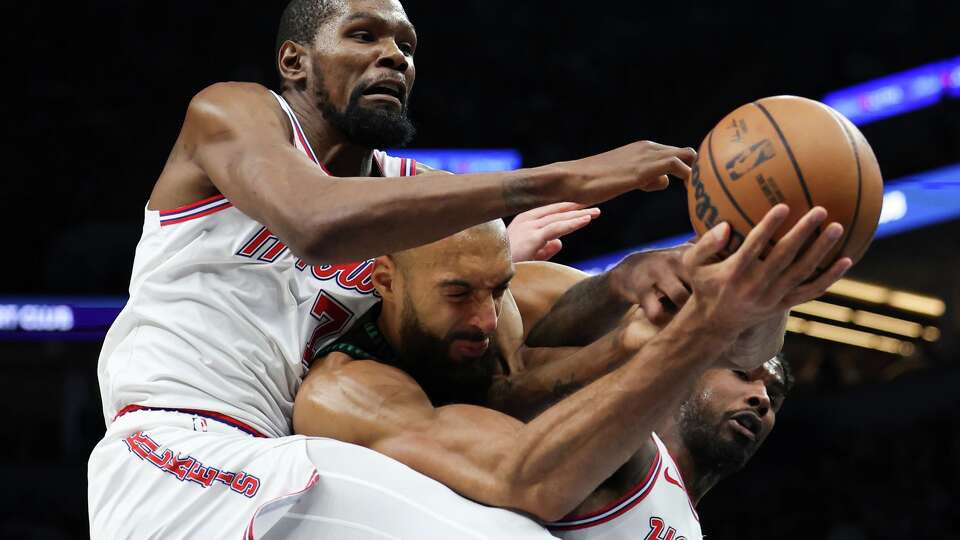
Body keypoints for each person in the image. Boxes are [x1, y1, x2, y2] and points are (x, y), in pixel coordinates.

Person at [87, 0, 711, 536]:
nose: (394, 56)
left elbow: (516, 335)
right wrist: (554, 180)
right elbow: (313, 222)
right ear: (294, 61)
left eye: (406, 45)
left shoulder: (419, 196)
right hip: (177, 449)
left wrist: (610, 277)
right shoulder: (233, 114)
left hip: (292, 453)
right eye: (364, 35)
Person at [294, 197, 848, 533]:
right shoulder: (348, 391)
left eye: (500, 287)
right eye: (459, 292)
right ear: (385, 279)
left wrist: (771, 277)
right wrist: (698, 332)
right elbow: (525, 476)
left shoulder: (509, 302)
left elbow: (749, 354)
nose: (488, 317)